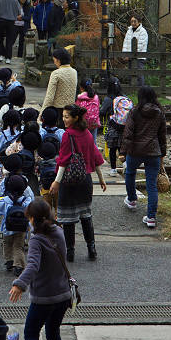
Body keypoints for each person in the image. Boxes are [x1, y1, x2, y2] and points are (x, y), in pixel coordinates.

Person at [8, 197, 72, 340]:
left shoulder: (36, 239)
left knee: (30, 334)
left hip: (44, 297)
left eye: (29, 218)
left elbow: (33, 266)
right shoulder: (59, 231)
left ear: (33, 219)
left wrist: (19, 284)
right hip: (63, 294)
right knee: (53, 333)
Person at [50, 104, 106, 262]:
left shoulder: (68, 135)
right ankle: (91, 248)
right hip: (85, 180)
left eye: (67, 117)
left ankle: (70, 252)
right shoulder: (87, 133)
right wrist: (101, 179)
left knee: (68, 219)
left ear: (75, 118)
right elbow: (95, 157)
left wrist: (56, 182)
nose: (64, 119)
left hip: (69, 182)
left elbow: (63, 161)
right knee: (86, 216)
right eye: (63, 116)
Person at [120, 85, 167, 228]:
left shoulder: (134, 111)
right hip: (153, 152)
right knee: (151, 185)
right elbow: (162, 135)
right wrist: (162, 153)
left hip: (135, 151)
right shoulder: (159, 113)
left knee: (129, 173)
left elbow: (128, 133)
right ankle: (151, 218)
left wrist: (123, 151)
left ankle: (132, 200)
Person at [0, 173, 31, 276]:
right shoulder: (27, 201)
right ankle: (19, 266)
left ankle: (9, 260)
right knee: (18, 246)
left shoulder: (4, 201)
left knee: (7, 243)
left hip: (7, 228)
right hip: (22, 229)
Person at [101, 79, 133, 176]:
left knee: (112, 148)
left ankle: (113, 170)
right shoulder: (125, 98)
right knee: (122, 148)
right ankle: (126, 165)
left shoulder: (109, 99)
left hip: (113, 126)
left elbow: (102, 112)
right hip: (125, 127)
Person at [39, 47, 78, 128]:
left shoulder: (56, 73)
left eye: (54, 60)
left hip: (58, 112)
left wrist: (42, 112)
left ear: (58, 60)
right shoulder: (74, 72)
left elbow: (49, 97)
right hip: (71, 111)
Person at [122, 12, 148, 86]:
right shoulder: (129, 30)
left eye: (135, 21)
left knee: (139, 74)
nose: (133, 23)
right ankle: (132, 90)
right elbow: (125, 43)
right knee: (130, 73)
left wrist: (129, 55)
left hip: (139, 57)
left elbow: (140, 46)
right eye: (132, 21)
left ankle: (141, 90)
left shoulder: (143, 32)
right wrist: (125, 54)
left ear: (139, 22)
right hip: (129, 57)